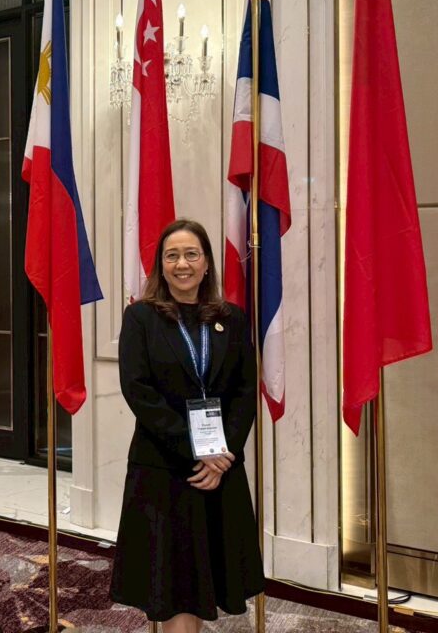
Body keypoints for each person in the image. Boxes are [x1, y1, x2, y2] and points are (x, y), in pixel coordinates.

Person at [109, 219, 264, 632]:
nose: (182, 264)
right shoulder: (140, 318)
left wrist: (223, 455)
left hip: (220, 470)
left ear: (207, 263)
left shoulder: (232, 319)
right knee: (175, 585)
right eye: (172, 256)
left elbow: (245, 391)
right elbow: (139, 391)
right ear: (160, 266)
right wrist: (199, 451)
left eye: (192, 254)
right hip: (166, 469)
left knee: (205, 577)